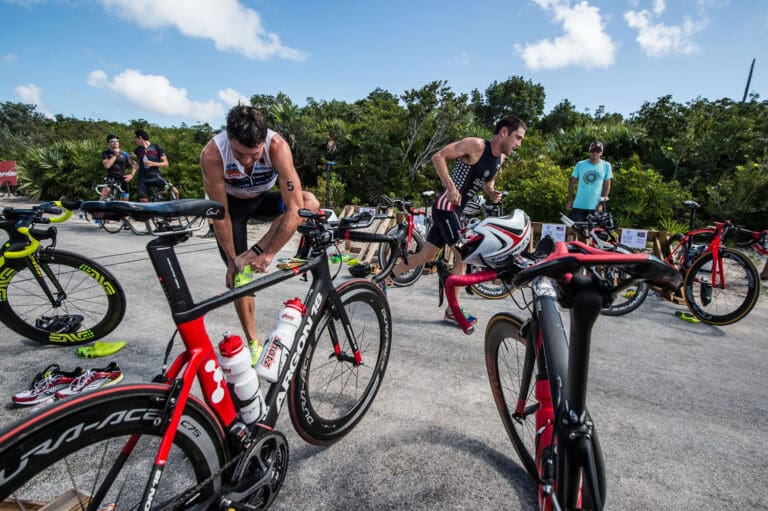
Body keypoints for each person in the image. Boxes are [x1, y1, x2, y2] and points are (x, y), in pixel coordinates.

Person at [200, 105, 320, 363]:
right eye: (239, 154)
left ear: (263, 142)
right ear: (228, 139)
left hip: (263, 198)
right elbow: (220, 217)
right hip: (232, 208)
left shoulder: (277, 146)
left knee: (310, 203)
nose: (246, 161)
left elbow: (295, 207)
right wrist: (233, 260)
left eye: (253, 155)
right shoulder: (213, 154)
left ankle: (256, 251)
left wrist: (269, 252)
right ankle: (253, 342)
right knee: (240, 278)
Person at [388, 114, 527, 326]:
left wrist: (491, 192)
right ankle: (453, 311)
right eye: (517, 138)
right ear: (504, 132)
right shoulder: (476, 145)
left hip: (456, 211)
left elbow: (488, 181)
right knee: (464, 254)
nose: (518, 144)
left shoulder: (500, 159)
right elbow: (438, 157)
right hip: (445, 207)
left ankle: (383, 279)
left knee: (425, 256)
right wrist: (451, 188)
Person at [566, 141, 612, 222]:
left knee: (592, 233)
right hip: (578, 205)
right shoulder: (580, 164)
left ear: (601, 153)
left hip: (595, 207)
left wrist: (601, 204)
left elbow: (607, 185)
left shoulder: (606, 165)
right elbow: (571, 182)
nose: (595, 153)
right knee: (576, 231)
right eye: (593, 150)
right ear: (589, 151)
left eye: (598, 151)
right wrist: (569, 201)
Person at [133, 129, 178, 202]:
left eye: (136, 139)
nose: (135, 141)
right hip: (142, 178)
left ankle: (177, 210)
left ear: (140, 138)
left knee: (175, 192)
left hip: (155, 176)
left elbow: (166, 164)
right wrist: (133, 164)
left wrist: (153, 163)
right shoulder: (137, 150)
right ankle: (147, 213)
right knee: (144, 201)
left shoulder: (156, 147)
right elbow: (129, 157)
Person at [100, 134, 136, 200]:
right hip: (111, 179)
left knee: (124, 203)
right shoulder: (105, 153)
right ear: (108, 143)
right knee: (104, 196)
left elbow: (134, 165)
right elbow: (107, 165)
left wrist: (132, 175)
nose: (115, 142)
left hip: (123, 179)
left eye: (117, 141)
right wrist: (115, 155)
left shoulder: (124, 153)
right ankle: (98, 210)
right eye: (113, 141)